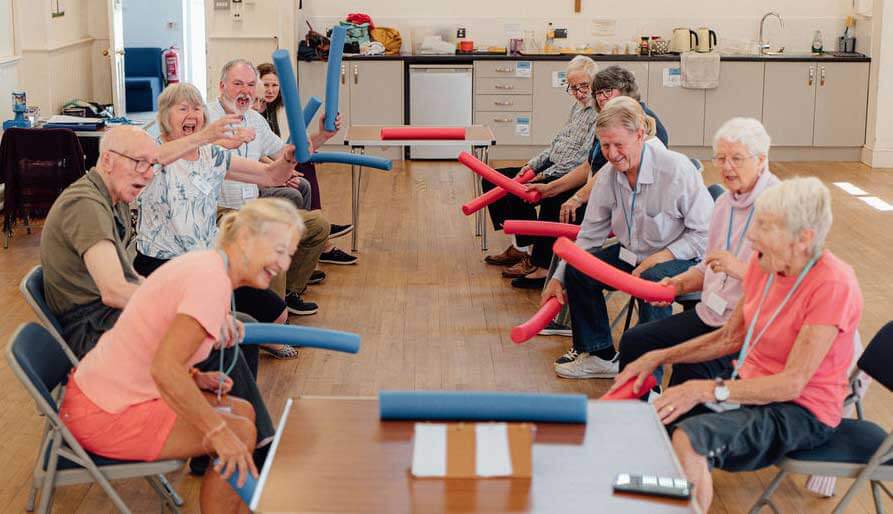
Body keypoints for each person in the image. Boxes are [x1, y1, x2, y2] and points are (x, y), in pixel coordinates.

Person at [612, 177, 862, 512]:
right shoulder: (765, 262)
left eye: (765, 227)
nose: (752, 236)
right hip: (751, 385)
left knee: (692, 439)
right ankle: (663, 498)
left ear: (804, 238)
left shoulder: (833, 284)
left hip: (802, 409)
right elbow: (730, 337)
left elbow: (792, 383)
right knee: (662, 420)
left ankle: (682, 501)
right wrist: (658, 356)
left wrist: (704, 390)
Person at [40, 125, 277, 473]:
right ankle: (252, 449)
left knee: (239, 328)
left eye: (152, 165)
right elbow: (113, 290)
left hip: (106, 317)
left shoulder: (112, 198)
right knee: (216, 340)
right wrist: (192, 310)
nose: (149, 174)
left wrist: (189, 303)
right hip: (93, 329)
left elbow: (131, 279)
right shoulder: (86, 205)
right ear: (108, 160)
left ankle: (221, 449)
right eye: (140, 163)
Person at [59, 198, 305, 514]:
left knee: (244, 412)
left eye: (289, 255)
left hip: (106, 393)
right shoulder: (210, 281)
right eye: (279, 251)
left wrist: (195, 377)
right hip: (104, 412)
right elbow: (164, 368)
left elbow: (152, 342)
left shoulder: (209, 266)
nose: (284, 264)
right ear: (245, 239)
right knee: (238, 431)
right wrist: (217, 431)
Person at [542, 96, 712, 379]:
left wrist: (665, 255)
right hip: (633, 254)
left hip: (686, 258)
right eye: (605, 145)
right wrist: (559, 277)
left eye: (618, 144)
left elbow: (706, 234)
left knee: (652, 278)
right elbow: (589, 235)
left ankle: (648, 381)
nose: (612, 154)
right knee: (578, 270)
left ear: (640, 135)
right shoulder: (609, 176)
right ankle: (600, 355)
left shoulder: (675, 170)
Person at [134, 83, 298, 363]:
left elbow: (271, 175)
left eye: (197, 108)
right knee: (226, 332)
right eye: (183, 109)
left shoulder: (211, 155)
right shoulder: (152, 150)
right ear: (165, 116)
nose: (192, 114)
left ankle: (224, 326)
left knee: (278, 315)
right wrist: (206, 136)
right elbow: (150, 162)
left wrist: (290, 157)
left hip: (206, 261)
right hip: (164, 265)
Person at [616, 118, 781, 394]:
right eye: (721, 158)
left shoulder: (779, 206)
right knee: (635, 341)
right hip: (710, 313)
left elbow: (787, 285)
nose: (727, 167)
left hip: (749, 330)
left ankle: (669, 416)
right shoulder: (725, 203)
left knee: (689, 371)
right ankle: (641, 411)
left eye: (736, 158)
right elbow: (708, 267)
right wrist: (677, 284)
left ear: (761, 160)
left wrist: (738, 269)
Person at [481, 56, 598, 289]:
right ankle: (522, 247)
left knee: (527, 193)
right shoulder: (577, 107)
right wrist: (533, 165)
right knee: (495, 180)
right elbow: (558, 143)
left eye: (583, 86)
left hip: (569, 172)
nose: (578, 93)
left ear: (595, 82)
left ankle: (539, 263)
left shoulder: (598, 113)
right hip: (553, 165)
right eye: (573, 87)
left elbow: (581, 159)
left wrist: (544, 175)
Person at [528, 66, 668, 227]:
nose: (601, 98)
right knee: (552, 200)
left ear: (626, 91)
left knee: (558, 207)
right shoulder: (610, 118)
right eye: (598, 93)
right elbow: (588, 166)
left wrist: (577, 198)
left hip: (627, 203)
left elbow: (610, 171)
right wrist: (549, 188)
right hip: (604, 190)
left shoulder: (638, 122)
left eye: (608, 91)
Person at [253, 62, 356, 262]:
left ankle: (318, 226)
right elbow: (258, 154)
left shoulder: (279, 112)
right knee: (302, 170)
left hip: (277, 161)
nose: (270, 90)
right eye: (266, 85)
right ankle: (320, 234)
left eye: (274, 85)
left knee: (305, 163)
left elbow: (289, 148)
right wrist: (278, 169)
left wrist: (323, 136)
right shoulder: (253, 115)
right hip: (262, 173)